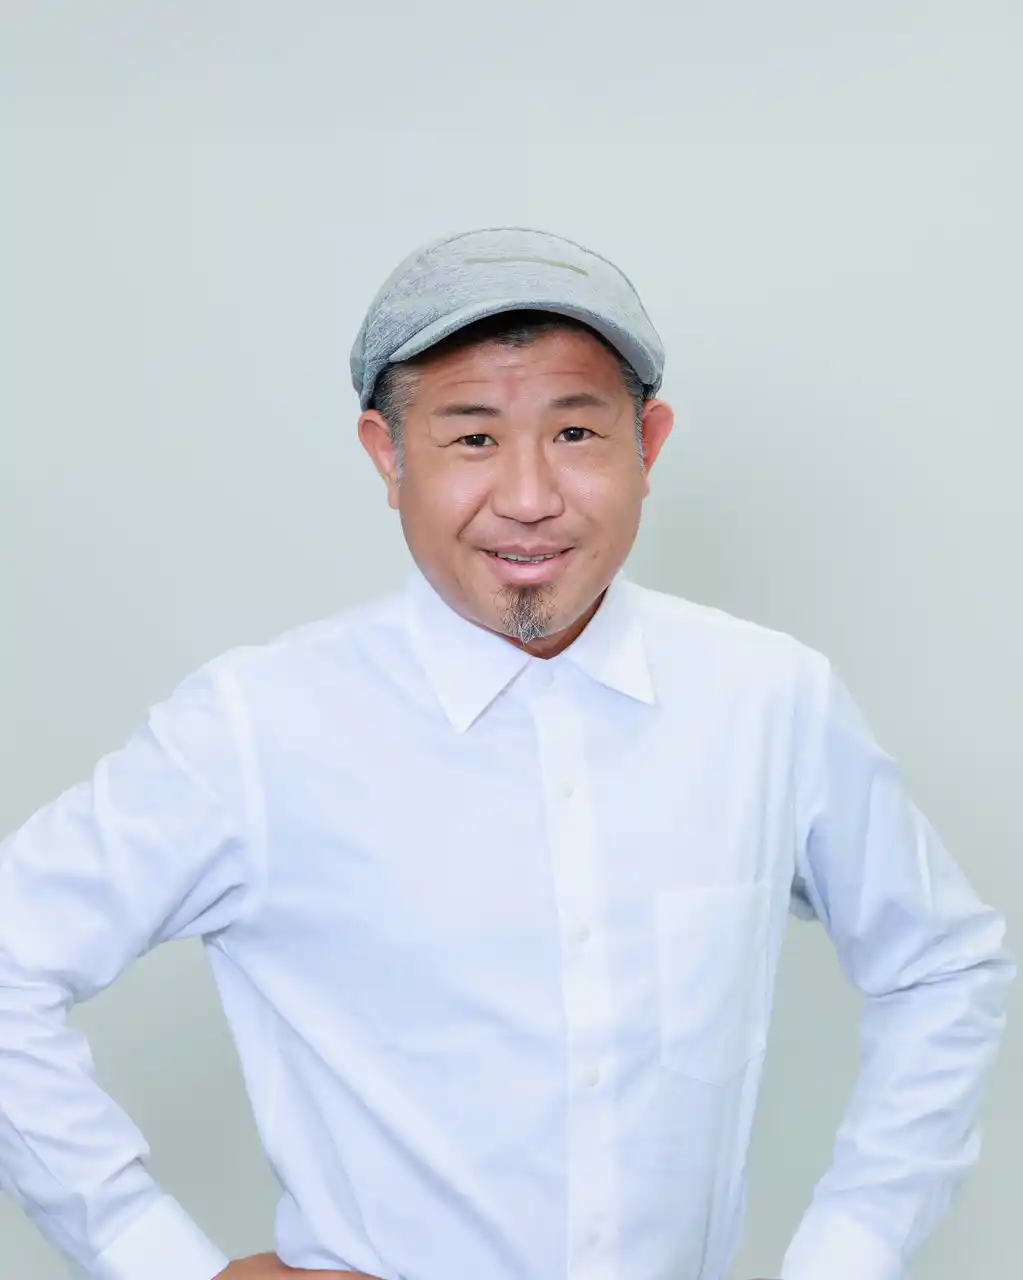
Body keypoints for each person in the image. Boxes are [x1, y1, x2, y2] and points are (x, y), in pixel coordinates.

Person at [0, 227, 1012, 1280]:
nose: (529, 497)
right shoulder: (257, 727)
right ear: (387, 454)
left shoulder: (767, 698)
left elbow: (943, 965)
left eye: (575, 432)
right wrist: (155, 1257)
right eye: (473, 437)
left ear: (648, 444)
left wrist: (851, 1250)